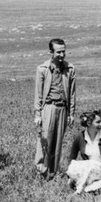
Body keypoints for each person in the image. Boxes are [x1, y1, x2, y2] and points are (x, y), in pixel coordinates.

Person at [34, 38, 76, 180]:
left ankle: (53, 172)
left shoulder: (70, 69)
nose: (61, 55)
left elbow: (72, 93)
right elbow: (38, 94)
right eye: (58, 52)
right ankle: (41, 170)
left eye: (63, 52)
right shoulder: (42, 69)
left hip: (62, 108)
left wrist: (71, 113)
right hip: (49, 107)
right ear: (51, 52)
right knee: (45, 140)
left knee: (58, 141)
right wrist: (38, 114)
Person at [67, 110, 101, 193]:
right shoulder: (80, 137)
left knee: (91, 165)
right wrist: (70, 173)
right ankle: (91, 187)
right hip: (90, 173)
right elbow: (72, 157)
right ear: (89, 123)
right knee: (79, 165)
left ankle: (80, 189)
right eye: (98, 122)